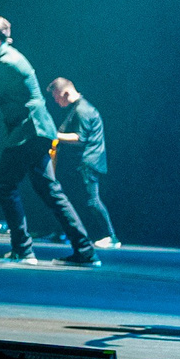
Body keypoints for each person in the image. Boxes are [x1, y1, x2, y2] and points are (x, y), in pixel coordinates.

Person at [0, 15, 96, 266]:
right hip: (32, 132)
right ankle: (84, 251)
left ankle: (24, 250)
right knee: (50, 192)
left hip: (29, 133)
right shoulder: (1, 59)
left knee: (5, 185)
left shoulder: (9, 62)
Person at [47, 78, 118, 248]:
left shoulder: (82, 110)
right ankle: (62, 233)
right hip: (81, 163)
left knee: (92, 200)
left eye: (57, 97)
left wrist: (53, 135)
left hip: (88, 163)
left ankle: (111, 236)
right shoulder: (76, 109)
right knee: (66, 198)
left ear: (65, 93)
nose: (56, 102)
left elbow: (80, 138)